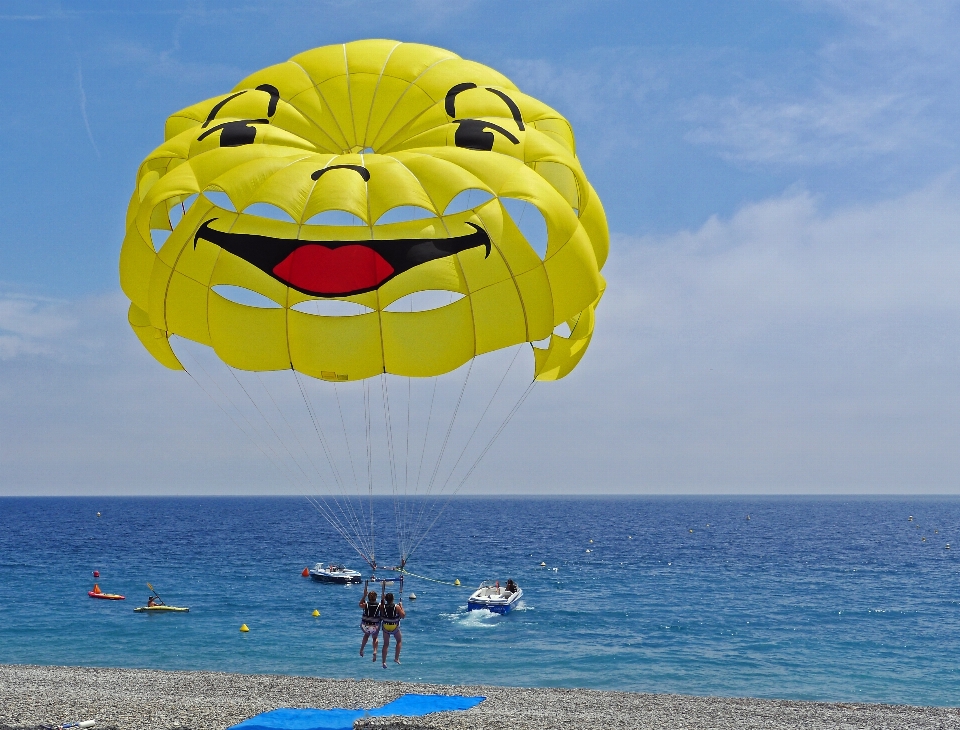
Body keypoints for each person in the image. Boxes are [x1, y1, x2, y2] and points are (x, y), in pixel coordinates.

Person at [379, 592, 406, 668]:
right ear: (393, 599)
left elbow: (381, 613)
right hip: (394, 627)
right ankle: (396, 658)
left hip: (386, 626)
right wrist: (401, 606)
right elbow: (403, 616)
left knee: (386, 644)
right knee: (399, 641)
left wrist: (382, 600)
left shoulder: (382, 606)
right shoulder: (397, 607)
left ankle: (384, 662)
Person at [359, 590, 381, 660]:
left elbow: (360, 604)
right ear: (376, 598)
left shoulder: (365, 605)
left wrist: (364, 596)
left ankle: (362, 649)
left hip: (365, 626)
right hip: (374, 626)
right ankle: (375, 651)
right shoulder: (379, 605)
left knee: (366, 635)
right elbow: (384, 609)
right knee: (375, 637)